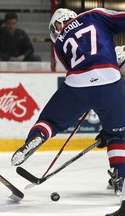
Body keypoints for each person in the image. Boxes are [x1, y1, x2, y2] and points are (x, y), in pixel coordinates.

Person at [10, 8, 125, 216]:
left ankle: (38, 135)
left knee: (50, 120)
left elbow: (77, 68)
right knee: (119, 134)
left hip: (78, 83)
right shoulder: (94, 15)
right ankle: (121, 179)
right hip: (110, 78)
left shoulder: (59, 43)